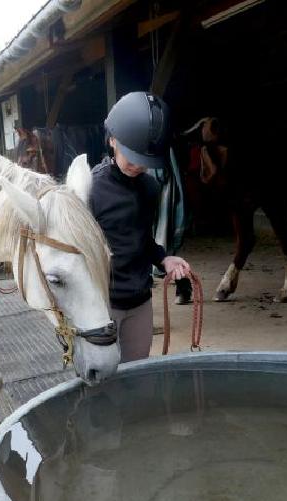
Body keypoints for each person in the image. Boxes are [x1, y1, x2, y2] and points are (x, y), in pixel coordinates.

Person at [89, 91, 191, 363]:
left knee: (136, 373)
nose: (137, 166)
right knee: (103, 378)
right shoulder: (91, 190)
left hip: (140, 302)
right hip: (102, 304)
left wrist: (163, 258)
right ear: (112, 140)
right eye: (131, 156)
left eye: (145, 160)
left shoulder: (150, 187)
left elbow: (143, 241)